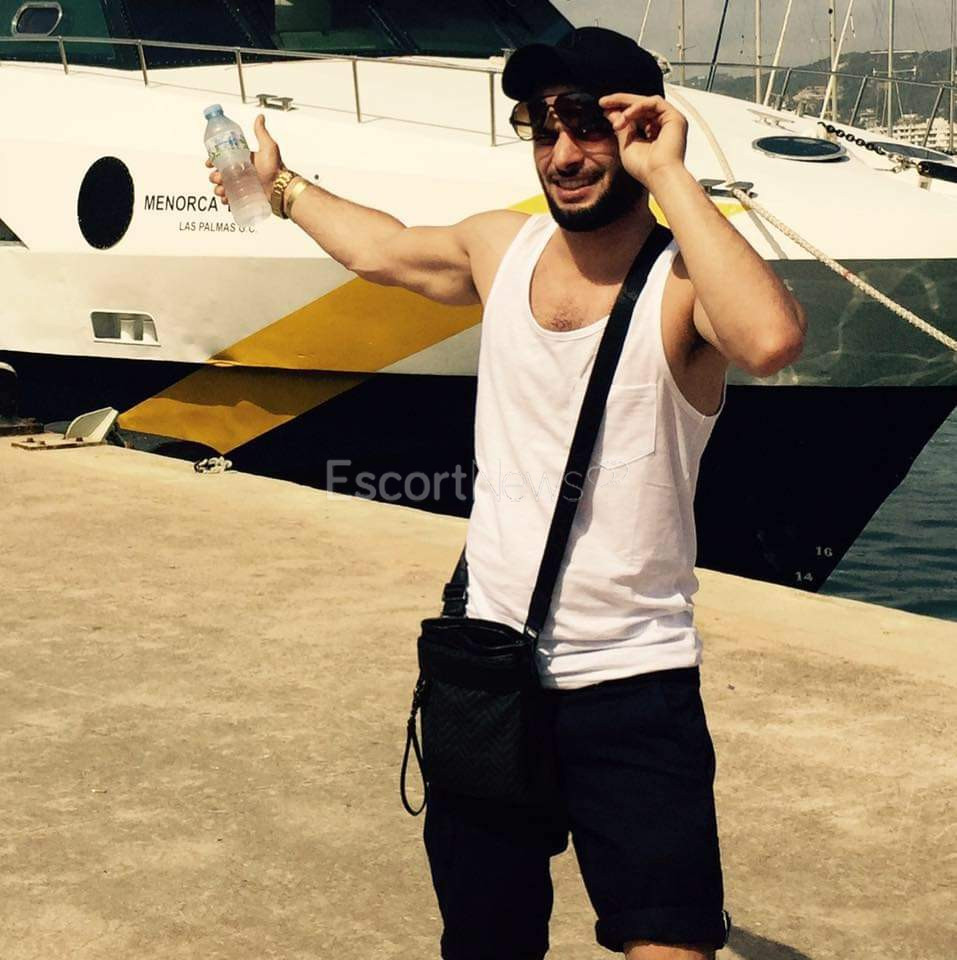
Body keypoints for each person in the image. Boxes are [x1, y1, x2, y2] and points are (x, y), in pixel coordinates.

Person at [208, 26, 805, 960]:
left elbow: (768, 340)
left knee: (670, 943)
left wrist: (670, 176)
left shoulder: (682, 283)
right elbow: (385, 249)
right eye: (541, 126)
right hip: (486, 667)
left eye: (589, 124)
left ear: (640, 125)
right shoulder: (503, 247)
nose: (563, 153)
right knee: (486, 942)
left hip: (633, 680)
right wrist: (279, 188)